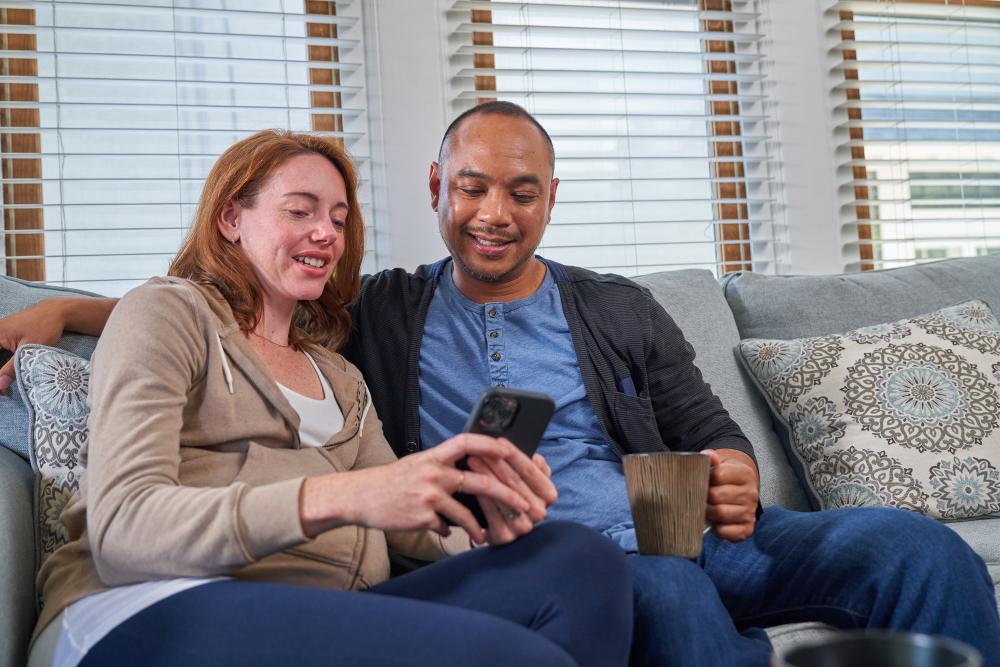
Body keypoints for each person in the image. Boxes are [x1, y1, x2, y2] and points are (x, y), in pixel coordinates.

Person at [4, 104, 999, 667]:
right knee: (659, 595)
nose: (494, 211)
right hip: (569, 554)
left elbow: (703, 427)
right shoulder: (376, 315)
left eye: (521, 191)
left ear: (549, 200)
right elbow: (222, 305)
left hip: (678, 529)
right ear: (437, 191)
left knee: (908, 544)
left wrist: (732, 470)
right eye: (472, 187)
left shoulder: (610, 307)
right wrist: (63, 311)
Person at [12, 129, 635, 667]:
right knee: (515, 660)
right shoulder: (169, 314)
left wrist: (482, 524)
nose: (325, 234)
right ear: (232, 218)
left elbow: (414, 523)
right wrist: (349, 495)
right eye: (300, 211)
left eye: (338, 219)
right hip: (146, 605)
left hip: (325, 609)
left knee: (581, 560)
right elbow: (123, 530)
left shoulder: (340, 376)